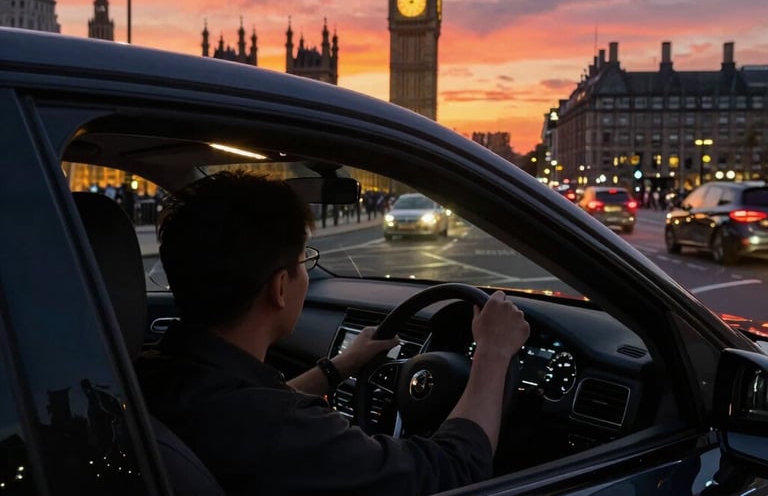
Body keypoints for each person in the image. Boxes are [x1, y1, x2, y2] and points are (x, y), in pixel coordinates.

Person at [136, 169, 529, 496]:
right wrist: (493, 354)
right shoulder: (283, 431)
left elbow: (247, 406)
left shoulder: (152, 369)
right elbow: (454, 471)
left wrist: (341, 365)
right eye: (303, 260)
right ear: (279, 288)